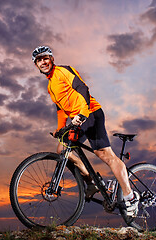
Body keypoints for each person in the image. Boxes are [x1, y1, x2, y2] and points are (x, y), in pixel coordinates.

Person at [32, 46, 139, 216]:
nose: (43, 62)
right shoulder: (50, 85)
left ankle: (130, 196)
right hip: (77, 119)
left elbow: (83, 89)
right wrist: (59, 129)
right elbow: (61, 110)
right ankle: (92, 182)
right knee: (62, 150)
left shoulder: (63, 71)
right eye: (39, 60)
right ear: (36, 65)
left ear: (51, 59)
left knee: (104, 154)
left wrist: (82, 112)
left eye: (45, 58)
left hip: (90, 113)